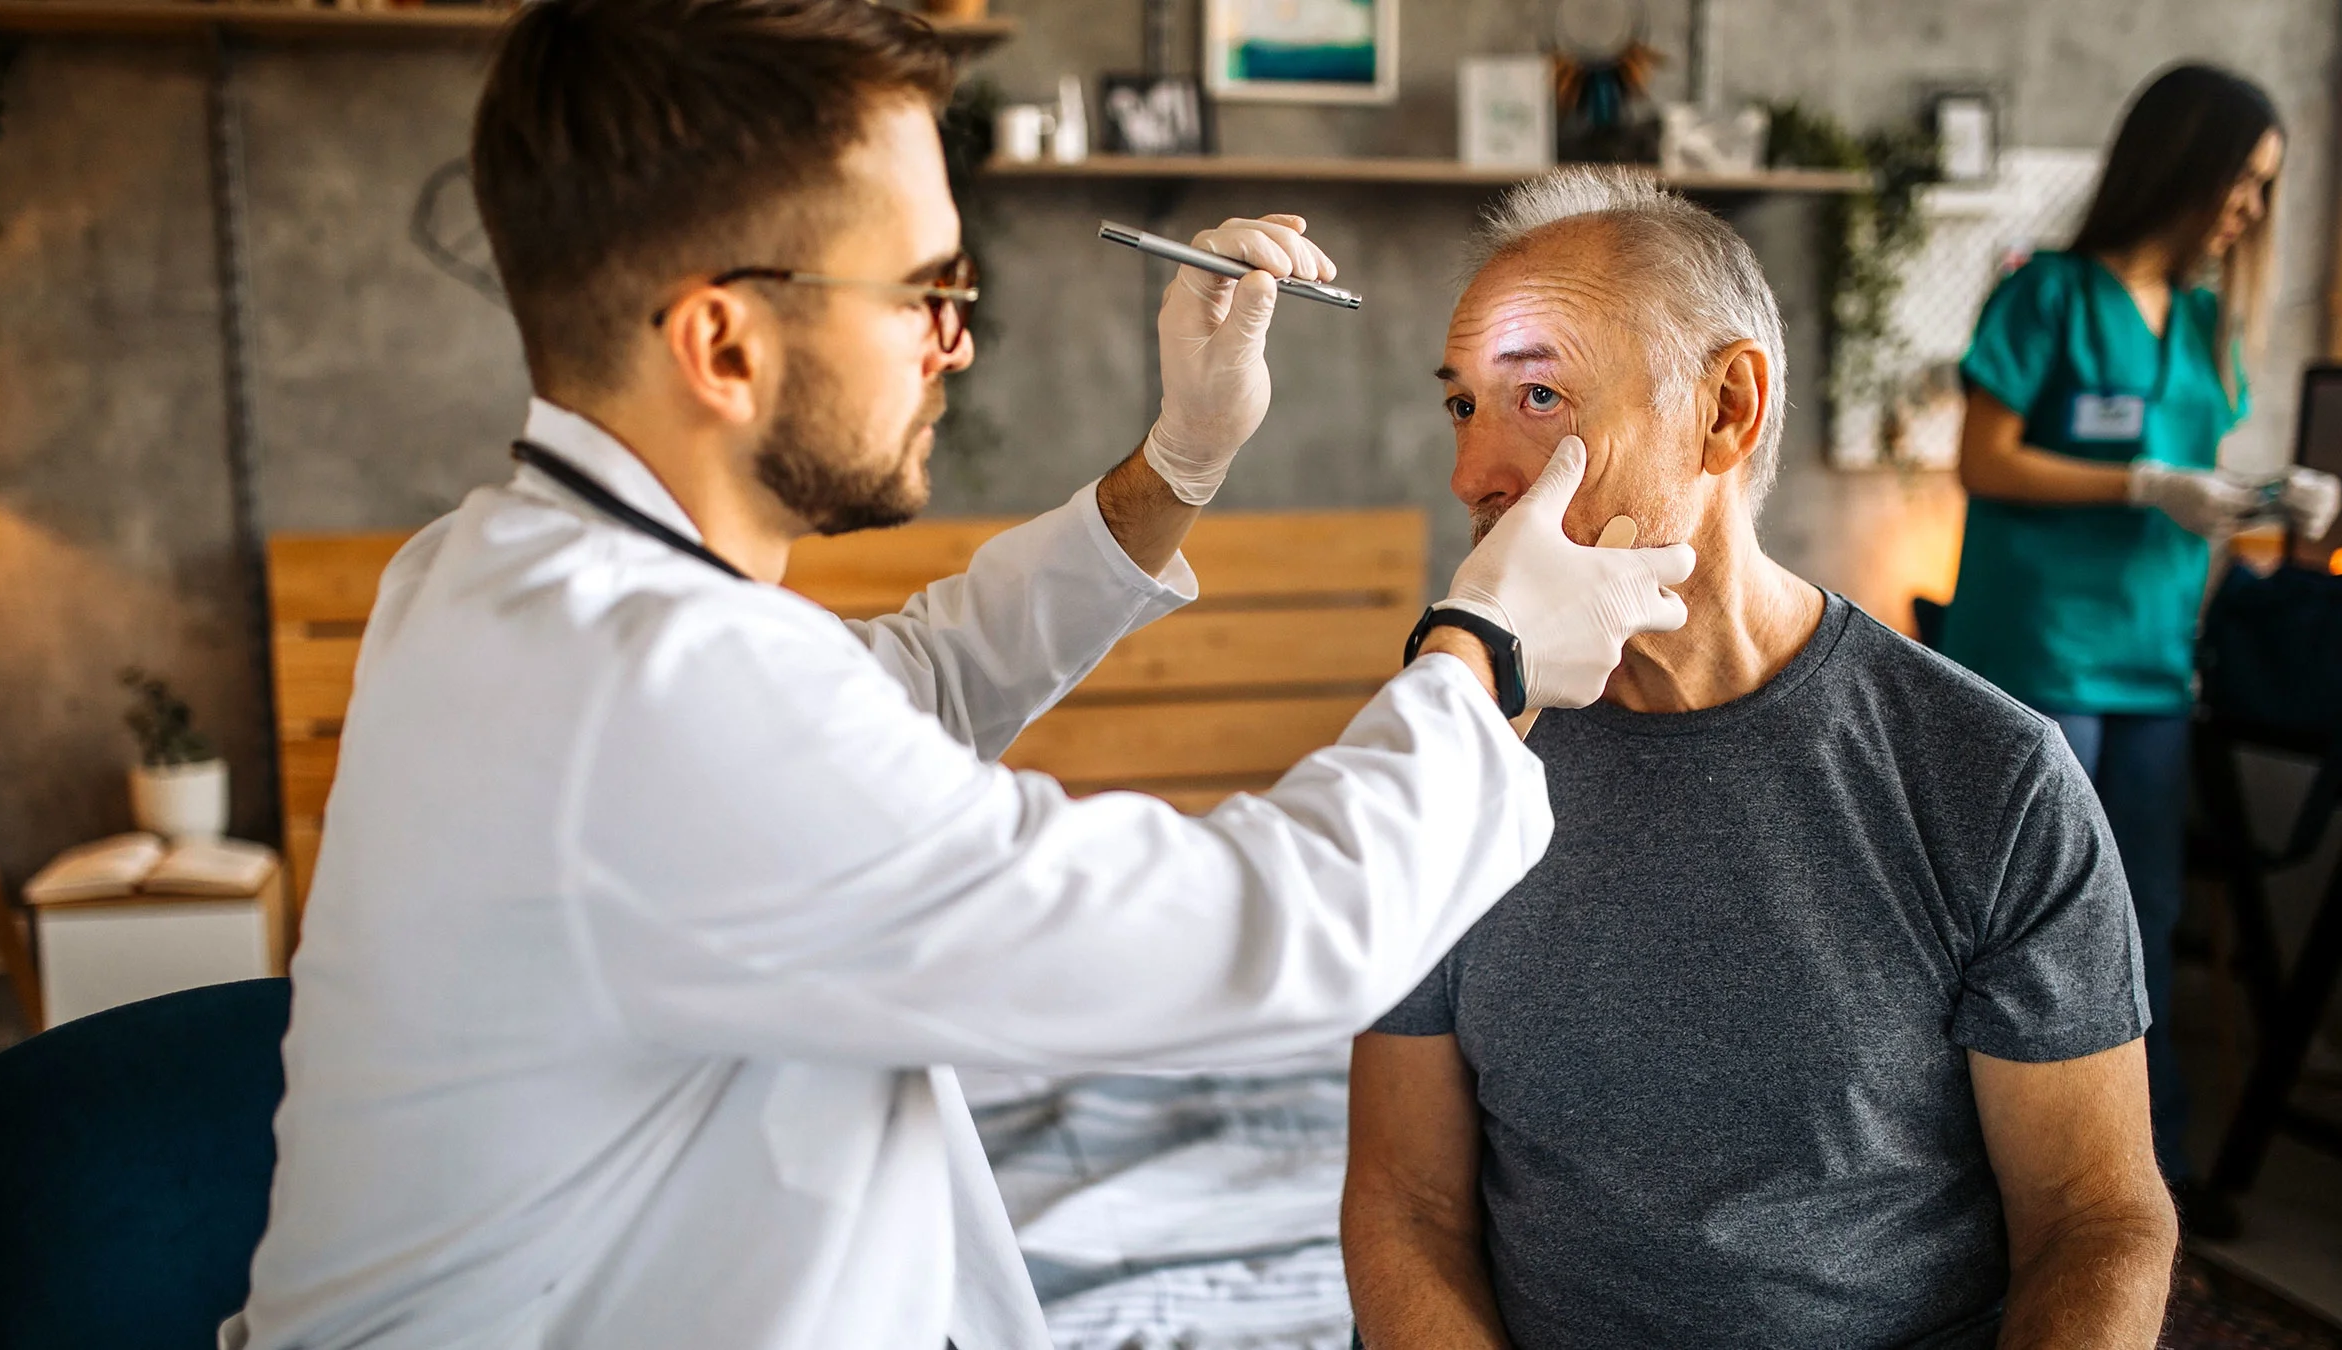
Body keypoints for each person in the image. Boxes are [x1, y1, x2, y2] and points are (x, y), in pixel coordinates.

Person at [222, 4, 1696, 1348]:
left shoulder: (492, 577)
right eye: (923, 291)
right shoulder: (646, 684)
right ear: (723, 343)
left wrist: (1177, 460)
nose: (956, 341)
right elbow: (1254, 937)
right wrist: (1486, 646)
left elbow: (897, 689)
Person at [1342, 167, 2177, 1350]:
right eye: (1464, 406)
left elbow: (2096, 1220)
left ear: (1726, 408)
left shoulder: (1989, 778)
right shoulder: (1440, 755)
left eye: (1535, 394)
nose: (1473, 474)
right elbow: (1404, 1205)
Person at [1942, 63, 2341, 1230]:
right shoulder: (2049, 296)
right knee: (2026, 925)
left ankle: (2137, 1178)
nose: (2249, 212)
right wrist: (2142, 480)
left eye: (2267, 192)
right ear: (2182, 162)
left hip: (2157, 664)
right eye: (2241, 182)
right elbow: (1983, 460)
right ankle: (1995, 1179)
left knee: (2139, 916)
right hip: (2044, 658)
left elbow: (2196, 498)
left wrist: (2279, 505)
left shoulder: (2211, 323)